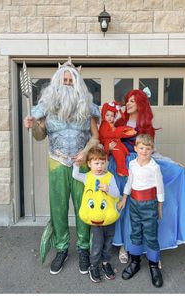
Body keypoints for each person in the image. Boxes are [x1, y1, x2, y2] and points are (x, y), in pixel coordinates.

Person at [107, 88, 185, 265]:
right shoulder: (118, 122)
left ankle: (140, 246)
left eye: (133, 101)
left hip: (141, 165)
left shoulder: (146, 127)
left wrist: (171, 162)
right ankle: (124, 244)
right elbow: (107, 141)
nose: (128, 103)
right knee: (124, 205)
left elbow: (153, 151)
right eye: (127, 100)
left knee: (138, 207)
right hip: (121, 166)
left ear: (141, 104)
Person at [23, 58, 100, 275]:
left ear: (77, 84)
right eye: (64, 79)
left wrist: (85, 152)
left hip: (81, 166)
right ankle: (62, 248)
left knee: (83, 208)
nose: (67, 82)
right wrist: (33, 126)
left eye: (70, 80)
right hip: (56, 163)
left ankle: (84, 248)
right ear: (58, 82)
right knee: (58, 208)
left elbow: (96, 137)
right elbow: (40, 136)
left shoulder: (87, 109)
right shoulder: (46, 109)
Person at [118, 134, 164, 287]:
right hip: (134, 203)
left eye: (148, 148)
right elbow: (129, 182)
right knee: (135, 232)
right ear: (136, 148)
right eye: (141, 148)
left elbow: (160, 188)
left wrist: (159, 207)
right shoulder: (132, 164)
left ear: (152, 150)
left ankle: (153, 266)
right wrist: (124, 198)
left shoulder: (154, 167)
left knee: (151, 234)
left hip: (149, 204)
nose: (144, 151)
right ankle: (135, 262)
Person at [73, 147, 120, 283]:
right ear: (89, 164)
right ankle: (93, 265)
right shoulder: (87, 177)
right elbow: (75, 175)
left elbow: (116, 193)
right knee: (97, 244)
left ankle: (105, 263)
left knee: (108, 242)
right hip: (96, 220)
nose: (100, 166)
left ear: (106, 162)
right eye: (96, 163)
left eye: (102, 162)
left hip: (109, 218)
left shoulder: (109, 177)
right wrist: (76, 164)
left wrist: (108, 189)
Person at [99, 101, 136, 176]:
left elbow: (114, 132)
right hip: (107, 143)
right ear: (103, 115)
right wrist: (119, 132)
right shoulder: (104, 125)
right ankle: (121, 169)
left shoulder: (112, 124)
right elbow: (107, 135)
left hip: (113, 142)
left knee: (121, 151)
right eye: (107, 115)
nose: (109, 117)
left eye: (112, 116)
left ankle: (122, 168)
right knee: (118, 153)